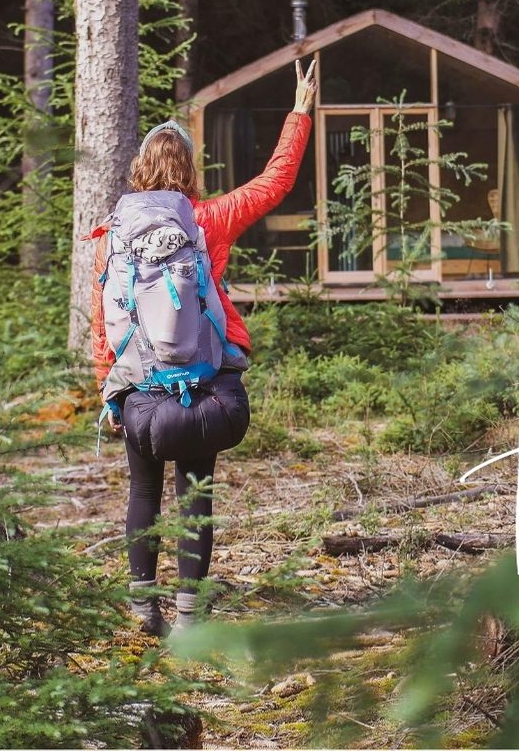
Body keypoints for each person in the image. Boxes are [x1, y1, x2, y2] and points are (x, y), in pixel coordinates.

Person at [90, 60, 315, 636]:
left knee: (143, 491)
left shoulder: (115, 233)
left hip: (140, 383)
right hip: (203, 378)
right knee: (195, 493)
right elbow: (275, 184)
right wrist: (299, 113)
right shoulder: (207, 219)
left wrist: (107, 391)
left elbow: (103, 316)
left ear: (141, 168)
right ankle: (189, 617)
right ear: (190, 169)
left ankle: (143, 608)